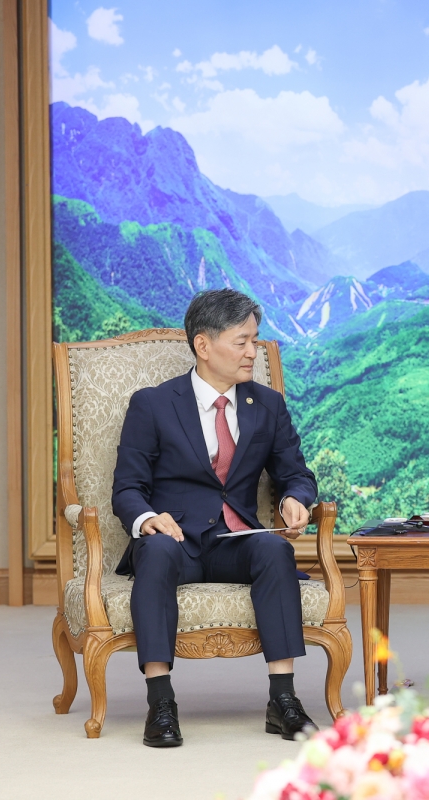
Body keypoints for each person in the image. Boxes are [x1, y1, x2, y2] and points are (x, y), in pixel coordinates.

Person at [112, 289, 319, 748]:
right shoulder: (153, 404)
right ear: (203, 346)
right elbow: (127, 488)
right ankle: (161, 702)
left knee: (273, 548)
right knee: (156, 551)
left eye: (255, 340)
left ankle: (282, 700)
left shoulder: (267, 405)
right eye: (241, 341)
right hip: (176, 539)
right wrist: (147, 518)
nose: (253, 352)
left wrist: (296, 499)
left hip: (237, 541)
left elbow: (296, 474)